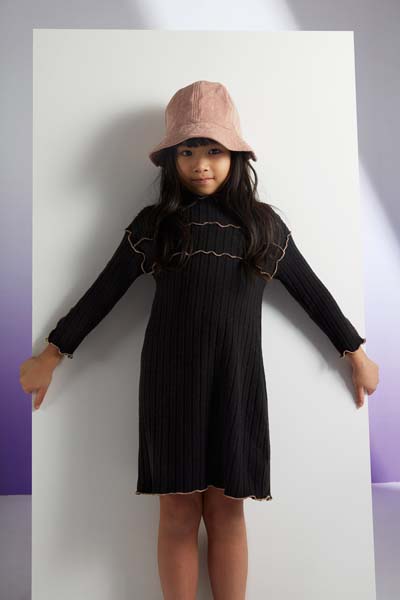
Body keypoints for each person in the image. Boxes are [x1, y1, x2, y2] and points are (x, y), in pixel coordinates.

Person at [19, 80, 379, 600]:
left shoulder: (262, 227)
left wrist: (356, 354)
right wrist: (51, 354)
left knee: (228, 512)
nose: (200, 164)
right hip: (170, 388)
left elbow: (313, 293)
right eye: (187, 151)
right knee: (177, 512)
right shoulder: (155, 226)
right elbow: (103, 293)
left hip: (236, 385)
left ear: (235, 155)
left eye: (213, 150)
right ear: (171, 158)